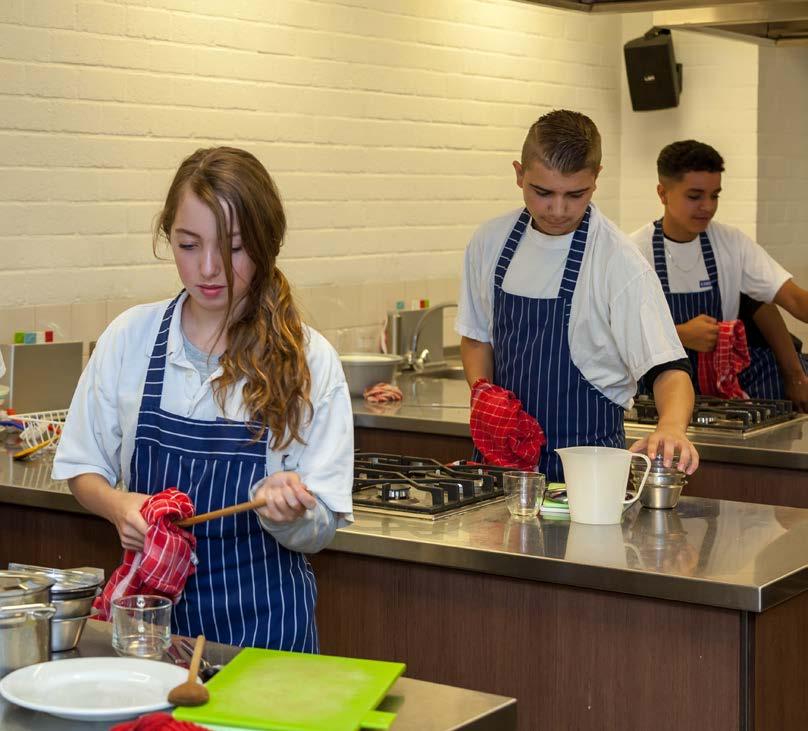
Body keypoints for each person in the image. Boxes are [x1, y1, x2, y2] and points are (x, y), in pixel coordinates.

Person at [52, 147, 354, 652]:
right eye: (188, 245)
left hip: (267, 636)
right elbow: (82, 467)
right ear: (167, 235)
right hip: (150, 631)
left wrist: (292, 514)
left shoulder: (310, 360)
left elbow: (321, 528)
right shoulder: (131, 338)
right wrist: (120, 505)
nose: (209, 268)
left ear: (267, 242)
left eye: (234, 248)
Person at [456, 109, 699, 483]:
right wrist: (485, 396)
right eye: (542, 192)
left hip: (590, 472)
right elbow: (476, 338)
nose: (557, 209)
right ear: (519, 173)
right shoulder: (490, 242)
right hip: (500, 466)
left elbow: (667, 367)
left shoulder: (617, 260)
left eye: (575, 194)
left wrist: (671, 426)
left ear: (596, 179)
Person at [630, 140, 808, 408]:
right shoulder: (634, 251)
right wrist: (679, 334)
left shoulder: (731, 243)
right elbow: (612, 334)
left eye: (715, 195)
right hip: (659, 393)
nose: (707, 207)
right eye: (695, 196)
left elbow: (795, 301)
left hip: (722, 392)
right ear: (663, 193)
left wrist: (794, 374)